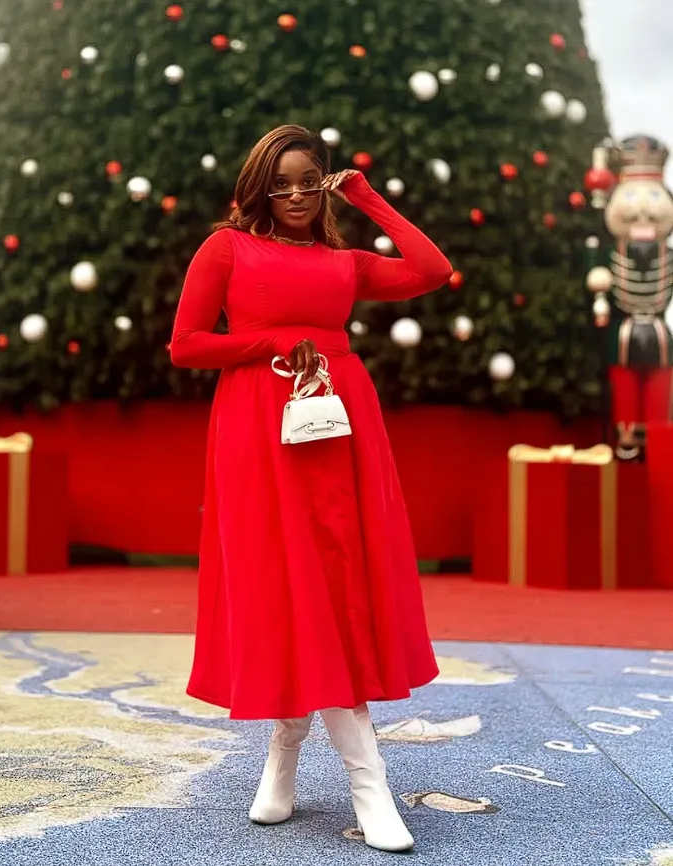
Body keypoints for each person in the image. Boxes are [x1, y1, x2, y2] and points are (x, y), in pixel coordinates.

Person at [169, 125, 453, 852]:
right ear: (259, 188)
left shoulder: (344, 262)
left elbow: (432, 268)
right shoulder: (225, 249)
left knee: (336, 584)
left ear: (322, 184)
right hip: (258, 426)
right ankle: (342, 773)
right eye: (280, 183)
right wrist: (268, 342)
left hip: (339, 423)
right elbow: (187, 345)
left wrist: (366, 198)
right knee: (281, 584)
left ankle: (309, 763)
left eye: (308, 181)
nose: (295, 195)